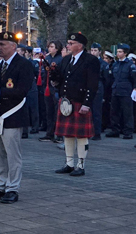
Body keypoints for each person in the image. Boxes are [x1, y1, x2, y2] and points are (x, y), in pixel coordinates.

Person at [0, 32, 34, 202]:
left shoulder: (24, 65)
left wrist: (0, 91)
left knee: (12, 155)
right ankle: (0, 184)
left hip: (12, 115)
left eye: (3, 44)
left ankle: (12, 187)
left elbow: (22, 91)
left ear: (13, 46)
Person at [52, 33, 99, 177]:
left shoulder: (90, 60)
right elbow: (60, 79)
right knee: (68, 135)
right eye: (68, 43)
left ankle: (81, 165)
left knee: (82, 136)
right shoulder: (66, 60)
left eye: (71, 43)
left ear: (80, 45)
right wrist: (53, 74)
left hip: (80, 102)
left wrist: (87, 103)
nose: (68, 45)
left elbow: (93, 84)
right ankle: (69, 164)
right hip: (66, 102)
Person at [106, 44, 136, 139]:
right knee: (114, 111)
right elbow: (111, 77)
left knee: (127, 112)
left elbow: (133, 78)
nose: (118, 54)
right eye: (117, 51)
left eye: (120, 52)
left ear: (125, 53)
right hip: (116, 90)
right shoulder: (115, 64)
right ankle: (115, 130)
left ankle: (128, 131)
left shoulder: (130, 65)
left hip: (126, 91)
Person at [40, 40, 64, 143]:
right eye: (49, 46)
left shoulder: (60, 59)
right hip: (47, 86)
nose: (50, 48)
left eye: (52, 46)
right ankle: (49, 133)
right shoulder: (47, 58)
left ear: (57, 48)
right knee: (48, 110)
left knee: (56, 111)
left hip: (55, 87)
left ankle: (57, 134)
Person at [87, 43, 108, 140]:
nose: (93, 52)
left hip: (98, 86)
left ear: (99, 52)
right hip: (88, 85)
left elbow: (106, 79)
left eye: (95, 50)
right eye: (92, 50)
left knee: (96, 111)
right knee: (88, 110)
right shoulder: (88, 62)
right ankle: (88, 131)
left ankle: (96, 132)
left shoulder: (103, 64)